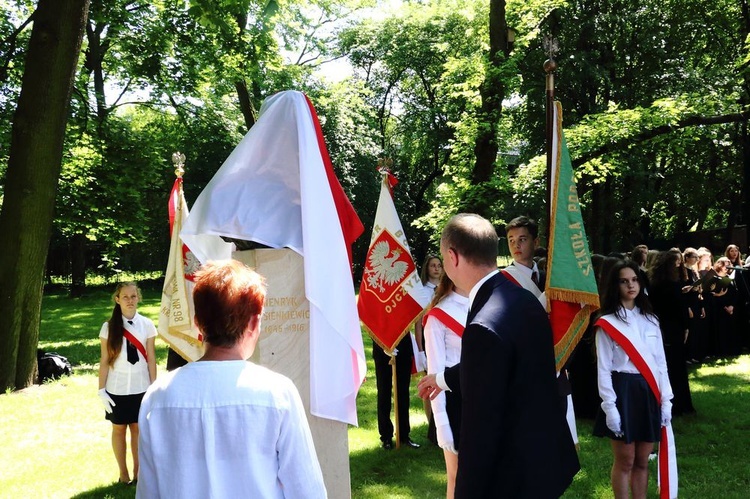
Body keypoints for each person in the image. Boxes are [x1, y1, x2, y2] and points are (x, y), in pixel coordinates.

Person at [419, 213, 579, 497]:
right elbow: (500, 365)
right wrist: (441, 379)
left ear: (453, 257)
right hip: (544, 459)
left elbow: (480, 431)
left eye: (443, 258)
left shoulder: (483, 326)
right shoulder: (524, 299)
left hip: (512, 475)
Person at [136, 260, 326, 498]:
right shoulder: (277, 393)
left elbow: (148, 492)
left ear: (198, 324)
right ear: (254, 323)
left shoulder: (158, 396)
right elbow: (307, 489)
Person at [592, 260, 675, 499]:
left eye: (635, 280)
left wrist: (666, 399)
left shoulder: (651, 319)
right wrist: (610, 408)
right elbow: (604, 369)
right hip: (622, 392)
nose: (631, 285)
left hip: (648, 390)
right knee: (625, 460)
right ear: (615, 285)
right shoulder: (607, 323)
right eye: (624, 281)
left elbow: (661, 363)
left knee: (642, 460)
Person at [98, 282, 157, 485]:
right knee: (119, 429)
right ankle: (123, 474)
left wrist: (154, 387)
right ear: (117, 299)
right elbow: (105, 360)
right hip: (117, 387)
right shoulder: (108, 327)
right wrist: (101, 389)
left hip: (141, 387)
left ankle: (138, 472)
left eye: (133, 296)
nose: (130, 300)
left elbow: (151, 359)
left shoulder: (147, 324)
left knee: (138, 430)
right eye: (125, 297)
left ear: (138, 298)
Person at [422, 272, 469, 498]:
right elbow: (434, 376)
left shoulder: (485, 303)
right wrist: (441, 423)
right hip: (455, 402)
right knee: (457, 477)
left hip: (486, 398)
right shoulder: (438, 316)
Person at [648, 250, 695, 416]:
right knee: (677, 368)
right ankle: (680, 404)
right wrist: (686, 327)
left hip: (658, 328)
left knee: (664, 367)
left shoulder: (653, 284)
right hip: (673, 329)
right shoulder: (673, 286)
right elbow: (679, 310)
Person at [414, 253, 443, 444]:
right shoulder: (422, 291)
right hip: (427, 339)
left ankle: (442, 422)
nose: (436, 269)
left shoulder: (448, 289)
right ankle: (431, 424)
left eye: (439, 265)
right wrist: (420, 350)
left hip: (444, 339)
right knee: (428, 384)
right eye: (433, 265)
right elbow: (417, 323)